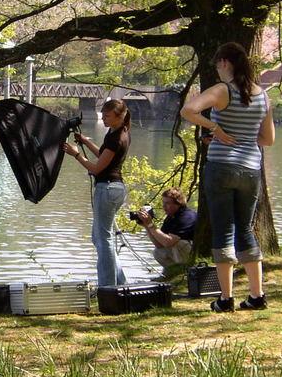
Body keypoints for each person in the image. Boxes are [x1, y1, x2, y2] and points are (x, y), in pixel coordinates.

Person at [181, 42, 275, 312]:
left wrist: (215, 128)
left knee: (223, 229)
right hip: (250, 170)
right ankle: (257, 295)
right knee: (245, 229)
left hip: (221, 168)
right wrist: (241, 138)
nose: (217, 70)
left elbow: (188, 110)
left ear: (224, 62)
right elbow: (267, 140)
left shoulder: (222, 90)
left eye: (217, 65)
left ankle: (225, 299)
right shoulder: (263, 96)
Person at [63, 99, 131, 287]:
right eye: (103, 115)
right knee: (99, 237)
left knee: (104, 239)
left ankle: (108, 286)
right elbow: (103, 155)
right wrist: (85, 141)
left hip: (108, 188)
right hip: (115, 188)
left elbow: (97, 168)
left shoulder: (117, 137)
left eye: (107, 116)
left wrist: (76, 154)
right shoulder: (118, 132)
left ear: (121, 116)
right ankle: (121, 282)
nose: (104, 119)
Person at [136, 187, 197, 278]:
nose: (164, 206)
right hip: (184, 252)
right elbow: (159, 244)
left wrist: (151, 225)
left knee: (179, 244)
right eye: (163, 203)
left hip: (193, 251)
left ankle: (185, 272)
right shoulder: (170, 217)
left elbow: (168, 242)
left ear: (178, 203)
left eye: (167, 203)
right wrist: (146, 225)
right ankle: (174, 273)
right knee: (158, 251)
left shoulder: (186, 216)